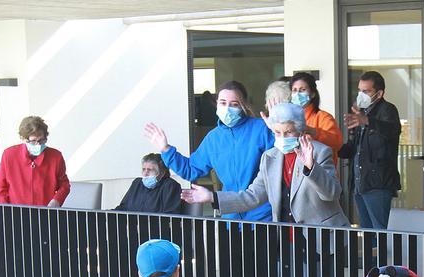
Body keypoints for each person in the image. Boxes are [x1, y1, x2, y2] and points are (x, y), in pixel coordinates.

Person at [181, 102, 348, 227]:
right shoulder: (270, 157)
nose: (282, 137)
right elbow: (252, 196)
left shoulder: (319, 152)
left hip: (321, 239)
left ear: (300, 131)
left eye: (288, 132)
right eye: (277, 132)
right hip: (286, 239)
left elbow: (332, 194)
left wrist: (311, 167)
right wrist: (211, 197)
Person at [144, 80, 274, 222]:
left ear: (243, 105)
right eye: (223, 103)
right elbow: (191, 169)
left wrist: (277, 129)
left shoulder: (261, 129)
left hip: (263, 214)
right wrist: (166, 149)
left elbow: (279, 160)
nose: (228, 108)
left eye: (234, 104)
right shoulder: (213, 138)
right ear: (216, 103)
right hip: (231, 215)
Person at [339, 71, 401, 230]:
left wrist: (366, 121)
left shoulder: (387, 110)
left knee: (381, 230)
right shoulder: (362, 113)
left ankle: (384, 256)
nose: (361, 95)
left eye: (366, 91)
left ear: (379, 93)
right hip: (360, 182)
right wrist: (333, 145)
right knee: (366, 230)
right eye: (359, 91)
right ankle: (371, 256)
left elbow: (392, 131)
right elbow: (354, 147)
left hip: (378, 183)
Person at [0, 115, 70, 207]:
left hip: (46, 212)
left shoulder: (55, 156)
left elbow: (64, 185)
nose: (38, 144)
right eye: (33, 141)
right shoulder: (9, 155)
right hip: (16, 213)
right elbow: (0, 187)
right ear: (23, 138)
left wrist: (56, 200)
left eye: (41, 140)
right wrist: (5, 210)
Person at [289, 72, 342, 154]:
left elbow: (337, 143)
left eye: (302, 90)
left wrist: (313, 131)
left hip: (320, 165)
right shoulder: (288, 117)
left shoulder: (324, 117)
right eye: (294, 90)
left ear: (313, 94)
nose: (297, 94)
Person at [114, 153, 186, 214]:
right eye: (143, 169)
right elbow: (123, 208)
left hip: (157, 229)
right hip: (133, 228)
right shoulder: (137, 183)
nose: (145, 174)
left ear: (162, 173)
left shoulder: (170, 186)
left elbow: (170, 215)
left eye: (150, 170)